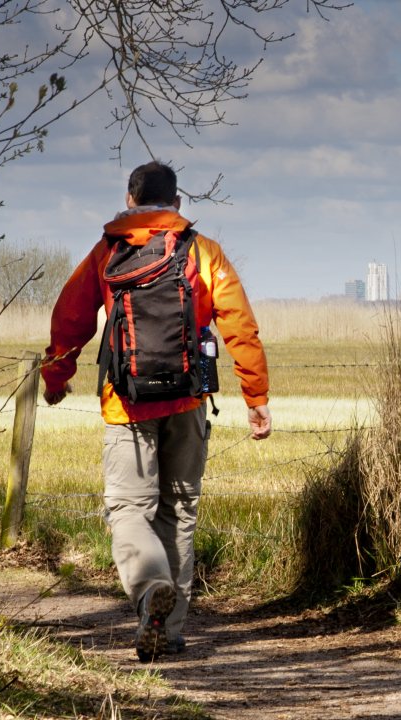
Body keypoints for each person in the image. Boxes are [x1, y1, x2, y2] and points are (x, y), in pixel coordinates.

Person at [41, 160, 271, 662]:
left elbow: (70, 318)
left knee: (128, 508)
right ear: (179, 203)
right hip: (188, 398)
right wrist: (256, 398)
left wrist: (56, 378)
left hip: (126, 403)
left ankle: (149, 592)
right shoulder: (203, 252)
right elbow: (240, 325)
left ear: (130, 199)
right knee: (179, 512)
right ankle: (170, 631)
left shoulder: (109, 249)